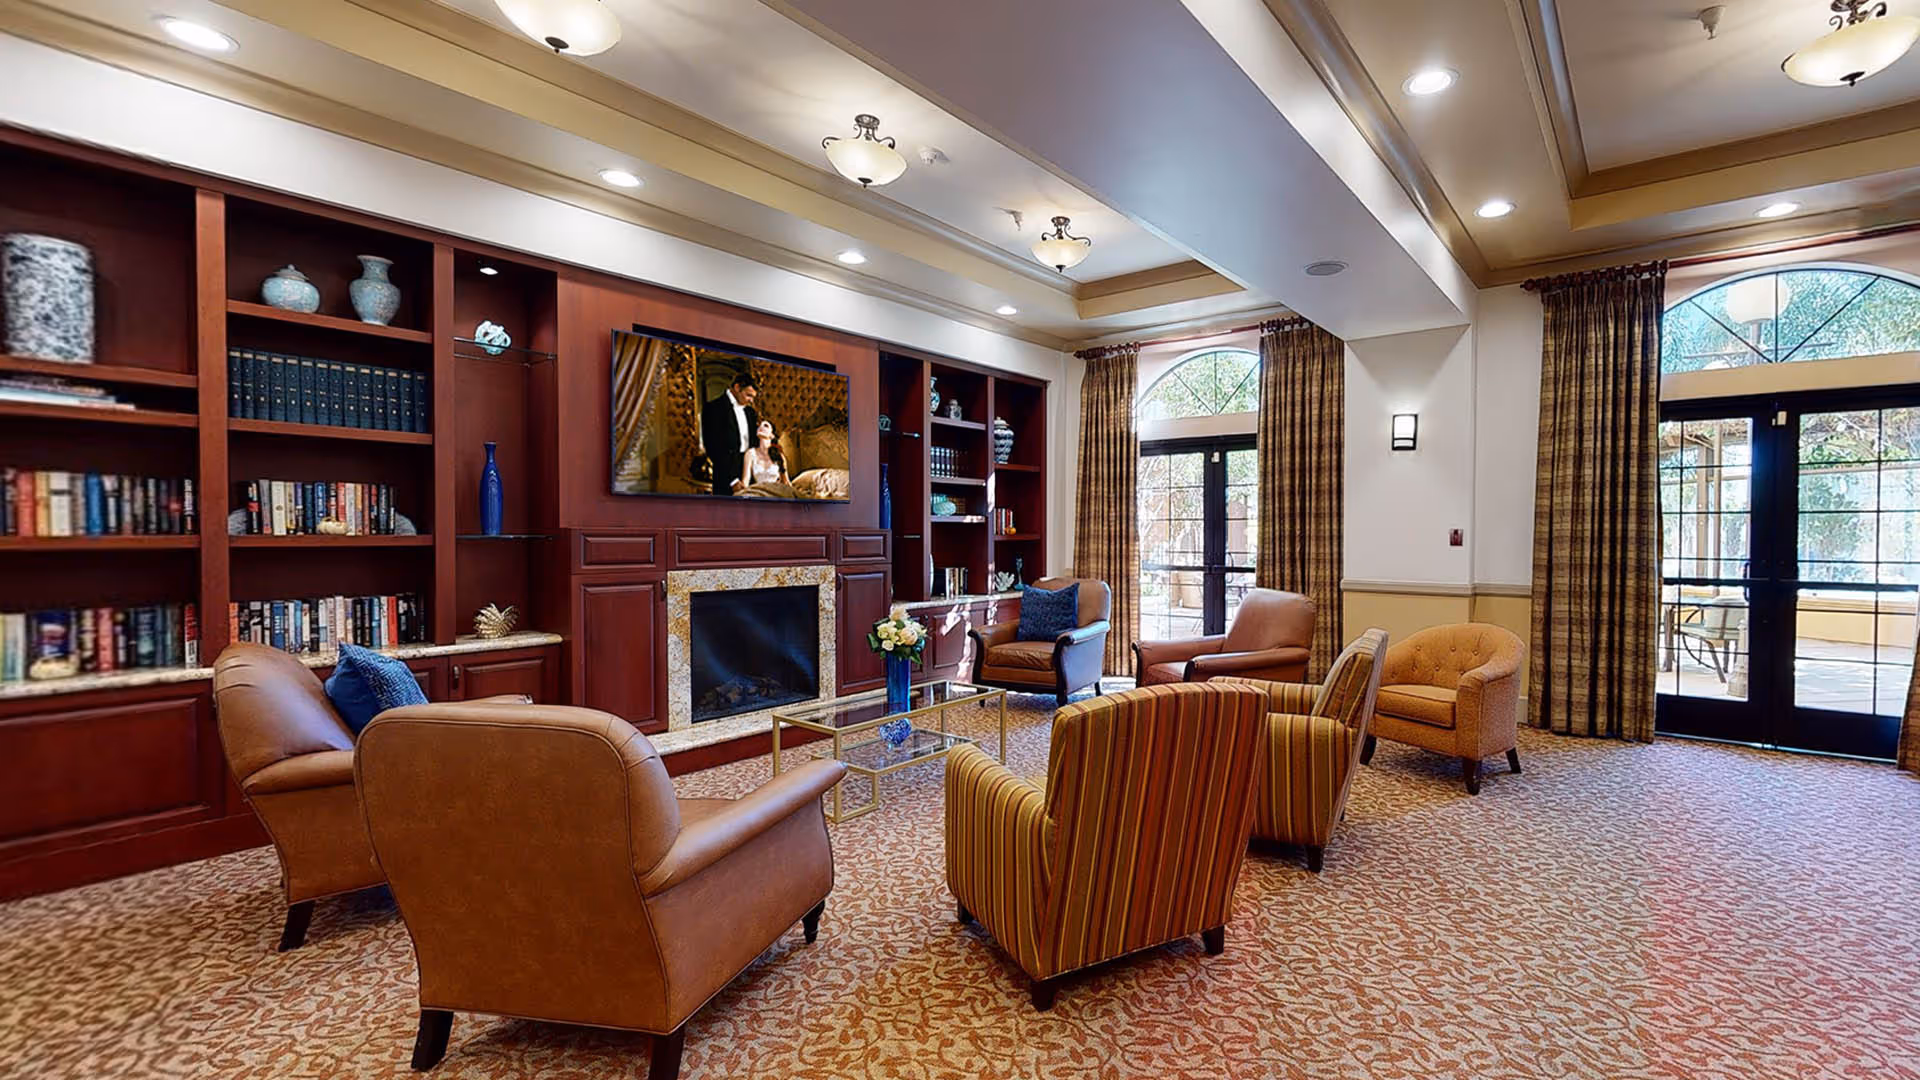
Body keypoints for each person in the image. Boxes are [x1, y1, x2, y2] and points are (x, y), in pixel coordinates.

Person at [699, 371, 758, 495]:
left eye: (753, 397)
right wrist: (733, 480)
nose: (751, 400)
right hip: (725, 474)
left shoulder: (750, 413)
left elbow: (754, 444)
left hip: (749, 470)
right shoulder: (713, 408)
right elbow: (713, 447)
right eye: (748, 395)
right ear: (737, 387)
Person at [740, 418, 790, 492]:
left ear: (772, 435)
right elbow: (745, 481)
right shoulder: (750, 453)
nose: (761, 427)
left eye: (765, 426)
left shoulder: (779, 455)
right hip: (759, 492)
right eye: (759, 426)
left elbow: (786, 482)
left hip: (776, 492)